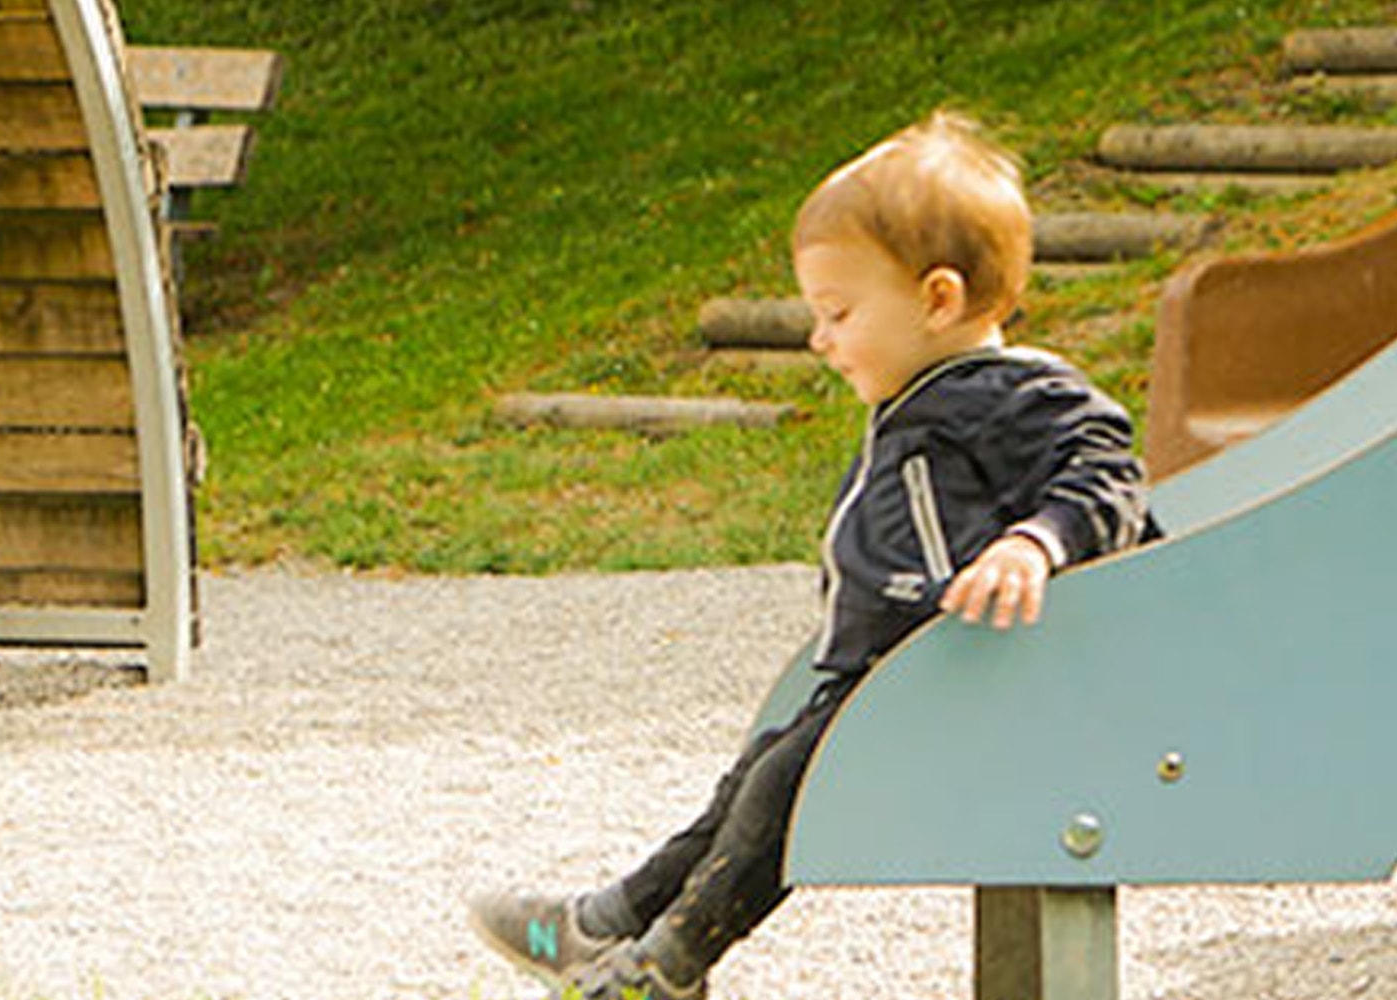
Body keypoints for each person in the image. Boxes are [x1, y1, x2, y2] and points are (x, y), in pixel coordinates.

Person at [464, 111, 1156, 1000]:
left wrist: (1038, 541)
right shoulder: (924, 400)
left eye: (838, 312)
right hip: (892, 679)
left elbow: (1109, 468)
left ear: (938, 300)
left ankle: (668, 967)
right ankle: (604, 924)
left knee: (778, 792)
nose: (819, 337)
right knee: (747, 785)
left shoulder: (1017, 394)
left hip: (951, 684)